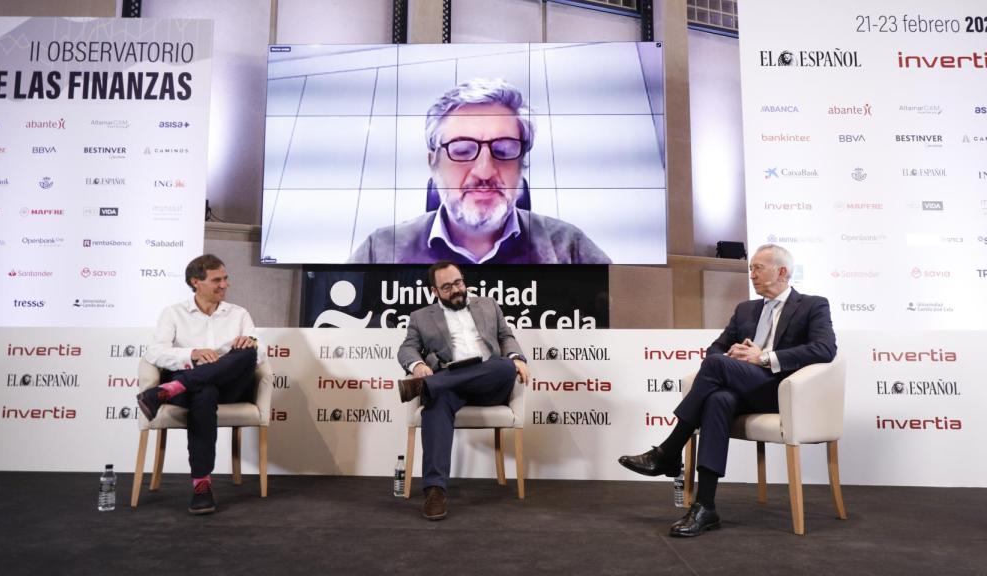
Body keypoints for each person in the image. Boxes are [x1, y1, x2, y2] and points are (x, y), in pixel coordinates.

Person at [618, 244, 836, 537]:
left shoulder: (812, 305)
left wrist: (762, 357)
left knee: (718, 367)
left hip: (780, 390)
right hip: (741, 385)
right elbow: (715, 349)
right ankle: (705, 507)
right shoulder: (746, 309)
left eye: (758, 267)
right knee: (718, 398)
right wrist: (733, 355)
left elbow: (825, 348)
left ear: (782, 271)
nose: (751, 274)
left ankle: (669, 451)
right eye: (751, 268)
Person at [349, 78, 610, 264]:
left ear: (522, 164)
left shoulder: (568, 249)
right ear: (433, 162)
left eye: (505, 150)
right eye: (462, 151)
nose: (484, 171)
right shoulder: (381, 251)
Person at [396, 261, 531, 520]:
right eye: (446, 287)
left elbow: (506, 337)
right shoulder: (421, 317)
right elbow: (407, 348)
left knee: (504, 367)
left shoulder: (488, 305)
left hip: (489, 383)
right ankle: (435, 490)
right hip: (451, 384)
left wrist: (516, 356)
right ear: (434, 291)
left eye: (458, 283)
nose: (456, 290)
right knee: (435, 405)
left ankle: (428, 385)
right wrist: (418, 364)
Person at [138, 254, 261, 515]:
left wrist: (246, 344)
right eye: (217, 280)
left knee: (249, 350)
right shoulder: (173, 313)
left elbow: (260, 356)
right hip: (196, 390)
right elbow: (155, 353)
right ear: (196, 282)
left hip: (229, 387)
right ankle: (201, 485)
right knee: (204, 392)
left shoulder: (239, 314)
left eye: (225, 278)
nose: (224, 285)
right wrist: (191, 354)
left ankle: (169, 389)